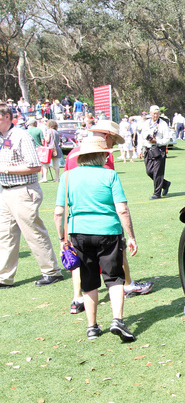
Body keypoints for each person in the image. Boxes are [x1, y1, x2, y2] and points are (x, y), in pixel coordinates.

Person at [54, 136, 138, 342]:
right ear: (101, 155)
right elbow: (122, 209)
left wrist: (61, 238)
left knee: (89, 280)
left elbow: (58, 212)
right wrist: (131, 236)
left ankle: (92, 326)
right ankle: (117, 319)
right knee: (114, 277)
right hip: (108, 232)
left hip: (78, 234)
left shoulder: (67, 177)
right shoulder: (110, 175)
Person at [0, 104, 64, 289]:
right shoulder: (2, 137)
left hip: (23, 190)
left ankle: (51, 272)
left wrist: (5, 169)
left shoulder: (21, 136)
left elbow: (35, 166)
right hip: (5, 190)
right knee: (5, 235)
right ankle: (4, 277)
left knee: (33, 232)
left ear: (6, 117)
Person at [140, 105, 172, 200]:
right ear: (150, 113)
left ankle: (157, 193)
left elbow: (167, 139)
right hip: (148, 149)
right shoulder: (146, 123)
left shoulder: (163, 124)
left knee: (158, 172)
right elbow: (142, 136)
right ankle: (165, 184)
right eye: (154, 113)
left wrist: (156, 141)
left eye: (157, 113)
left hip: (159, 150)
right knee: (149, 171)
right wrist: (140, 149)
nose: (156, 115)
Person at [40, 119, 61, 183]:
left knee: (45, 164)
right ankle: (57, 178)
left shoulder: (49, 131)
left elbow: (47, 140)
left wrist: (45, 136)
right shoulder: (57, 132)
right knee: (56, 165)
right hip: (56, 149)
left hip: (49, 149)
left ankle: (45, 178)